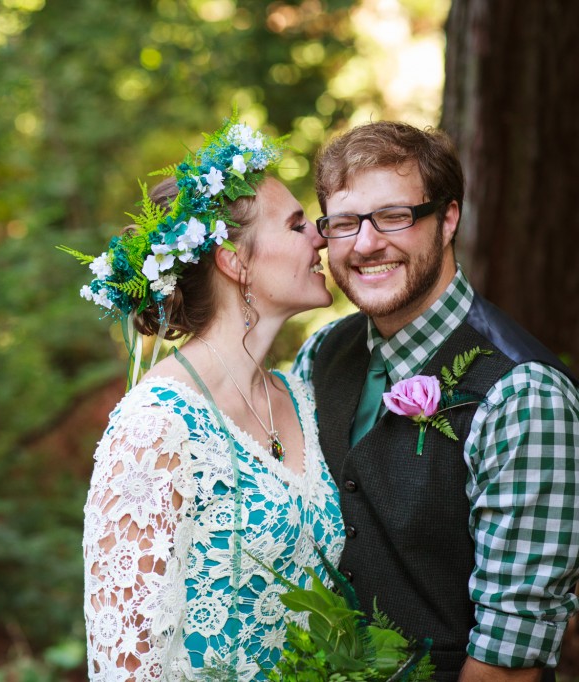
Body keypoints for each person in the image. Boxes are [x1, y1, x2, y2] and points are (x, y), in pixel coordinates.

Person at [293, 121, 579, 682]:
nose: (367, 243)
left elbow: (507, 661)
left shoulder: (525, 394)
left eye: (395, 216)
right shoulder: (320, 355)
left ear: (447, 219)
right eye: (346, 223)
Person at [68, 115, 344, 681]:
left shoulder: (305, 396)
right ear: (235, 261)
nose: (321, 234)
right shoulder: (155, 428)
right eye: (296, 226)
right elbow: (129, 667)